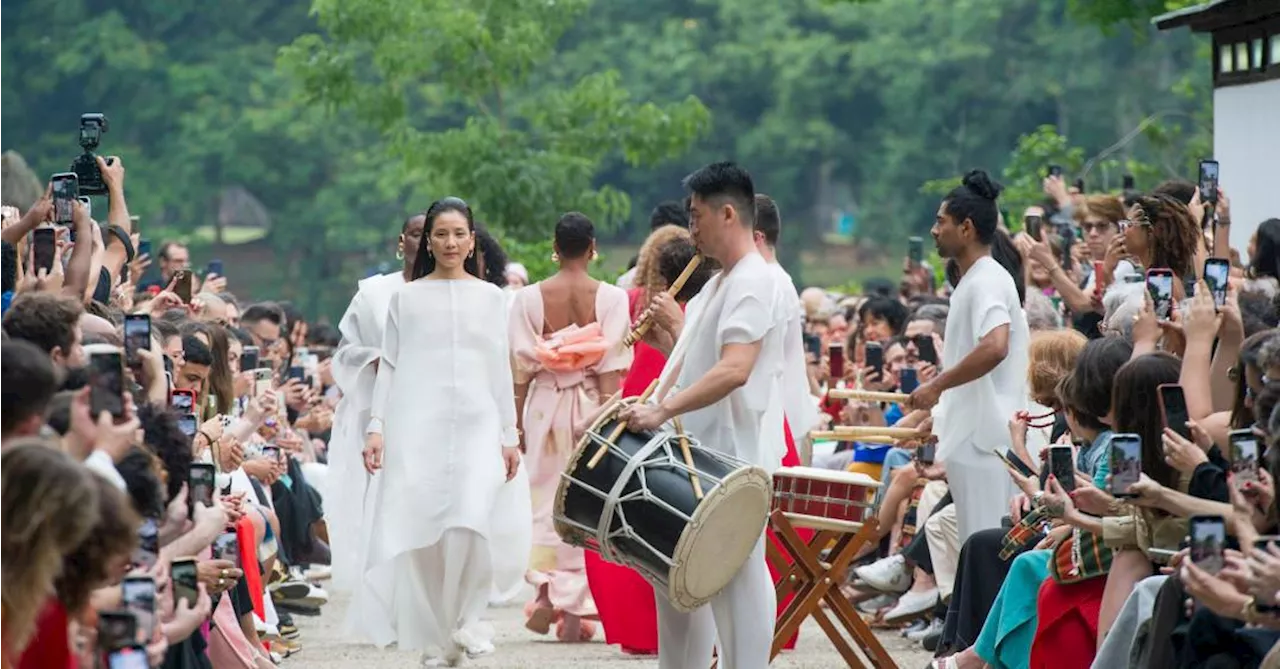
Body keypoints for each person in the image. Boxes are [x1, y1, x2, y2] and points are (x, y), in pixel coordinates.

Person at [620, 161, 787, 669]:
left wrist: (662, 410)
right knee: (675, 585)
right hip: (694, 457)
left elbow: (736, 370)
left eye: (695, 217)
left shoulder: (754, 281)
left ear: (728, 214)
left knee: (735, 583)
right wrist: (652, 396)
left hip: (729, 462)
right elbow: (699, 364)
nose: (689, 227)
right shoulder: (718, 283)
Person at [352, 197, 522, 667]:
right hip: (416, 423)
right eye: (441, 234)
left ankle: (467, 619)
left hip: (477, 424)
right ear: (428, 240)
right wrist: (377, 427)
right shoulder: (405, 298)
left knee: (471, 522)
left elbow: (499, 369)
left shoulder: (492, 298)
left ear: (472, 241)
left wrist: (510, 433)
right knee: (423, 530)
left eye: (459, 234)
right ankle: (436, 634)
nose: (450, 243)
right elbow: (389, 364)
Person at [509, 212, 631, 641]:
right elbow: (613, 369)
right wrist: (612, 418)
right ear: (593, 247)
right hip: (591, 405)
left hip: (542, 406)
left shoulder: (527, 299)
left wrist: (516, 423)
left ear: (554, 248)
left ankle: (545, 595)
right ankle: (576, 611)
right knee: (583, 501)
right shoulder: (613, 297)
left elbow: (521, 369)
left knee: (543, 499)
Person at [907, 170, 1030, 543]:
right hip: (975, 441)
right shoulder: (972, 280)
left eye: (941, 221)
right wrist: (939, 415)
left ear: (966, 228)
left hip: (988, 443)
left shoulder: (988, 279)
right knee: (975, 549)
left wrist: (935, 386)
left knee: (987, 548)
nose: (933, 230)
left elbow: (995, 347)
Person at [328, 212, 421, 593]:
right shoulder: (374, 293)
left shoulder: (450, 292)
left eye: (429, 235)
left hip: (428, 407)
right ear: (402, 242)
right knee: (385, 498)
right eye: (415, 234)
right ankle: (386, 584)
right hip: (379, 407)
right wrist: (378, 358)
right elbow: (344, 352)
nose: (423, 242)